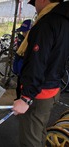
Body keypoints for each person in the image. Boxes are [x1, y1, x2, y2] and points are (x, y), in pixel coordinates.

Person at [12, 0, 69, 146]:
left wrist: (25, 98)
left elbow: (37, 62)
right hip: (53, 87)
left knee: (30, 141)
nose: (35, 8)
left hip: (38, 93)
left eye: (34, 2)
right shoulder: (64, 21)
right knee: (40, 132)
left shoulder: (46, 23)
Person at [13, 19, 33, 100]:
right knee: (18, 86)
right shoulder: (21, 39)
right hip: (20, 68)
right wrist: (15, 68)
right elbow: (17, 54)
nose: (23, 33)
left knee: (25, 87)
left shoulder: (33, 41)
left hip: (28, 70)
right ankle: (18, 98)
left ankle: (24, 100)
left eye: (25, 32)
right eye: (22, 32)